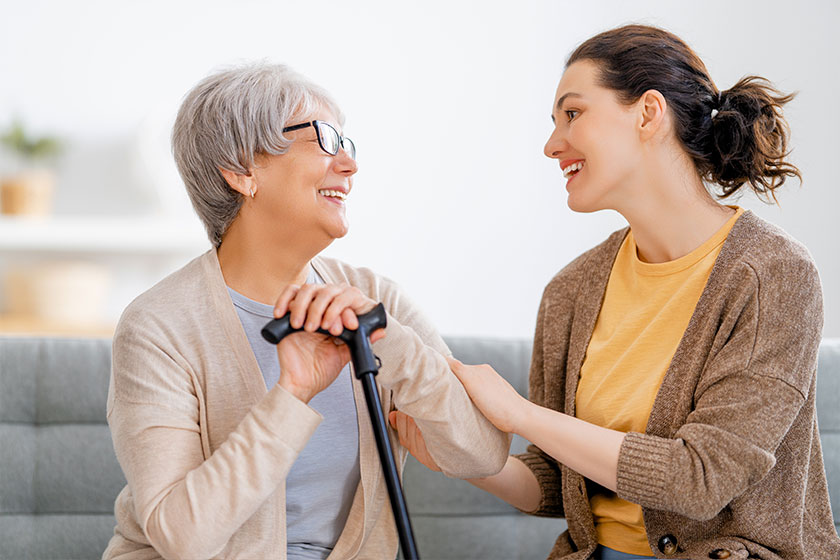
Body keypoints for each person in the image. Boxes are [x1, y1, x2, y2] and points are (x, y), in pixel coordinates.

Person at [391, 25, 840, 559]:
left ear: (648, 113)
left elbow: (701, 478)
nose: (552, 144)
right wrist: (467, 460)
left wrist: (519, 413)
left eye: (572, 114)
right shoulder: (571, 290)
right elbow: (558, 481)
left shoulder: (772, 273)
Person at [102, 63, 508, 560]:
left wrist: (389, 343)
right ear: (242, 170)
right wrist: (292, 395)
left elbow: (483, 454)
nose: (349, 164)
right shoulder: (159, 326)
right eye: (325, 138)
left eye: (347, 143)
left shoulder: (377, 300)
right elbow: (181, 537)